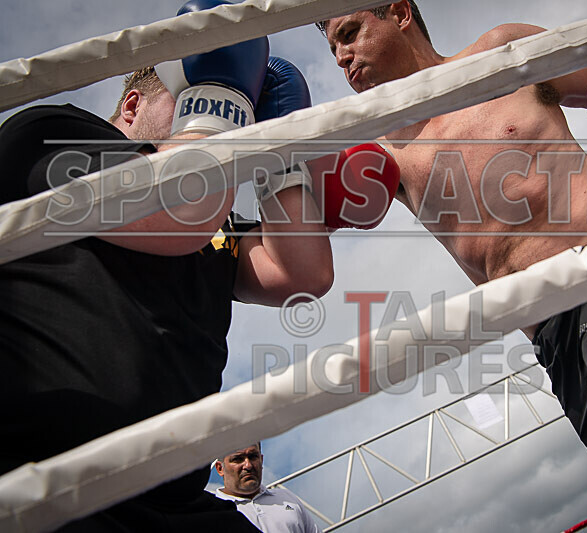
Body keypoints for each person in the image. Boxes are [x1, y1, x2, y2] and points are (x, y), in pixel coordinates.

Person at [317, 2, 587, 530]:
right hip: (552, 334)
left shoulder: (501, 53)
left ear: (399, 12)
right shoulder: (382, 151)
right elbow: (311, 244)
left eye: (349, 33)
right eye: (333, 49)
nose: (342, 57)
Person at [0, 0, 340, 530]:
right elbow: (178, 211)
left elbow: (303, 274)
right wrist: (223, 100)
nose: (220, 129)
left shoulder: (212, 218)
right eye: (186, 104)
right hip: (48, 481)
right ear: (131, 106)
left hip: (175, 497)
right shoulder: (51, 132)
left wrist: (279, 149)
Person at [214, 443, 320, 532]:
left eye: (253, 456)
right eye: (237, 459)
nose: (248, 465)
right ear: (220, 468)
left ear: (262, 459)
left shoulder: (286, 498)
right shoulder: (212, 512)